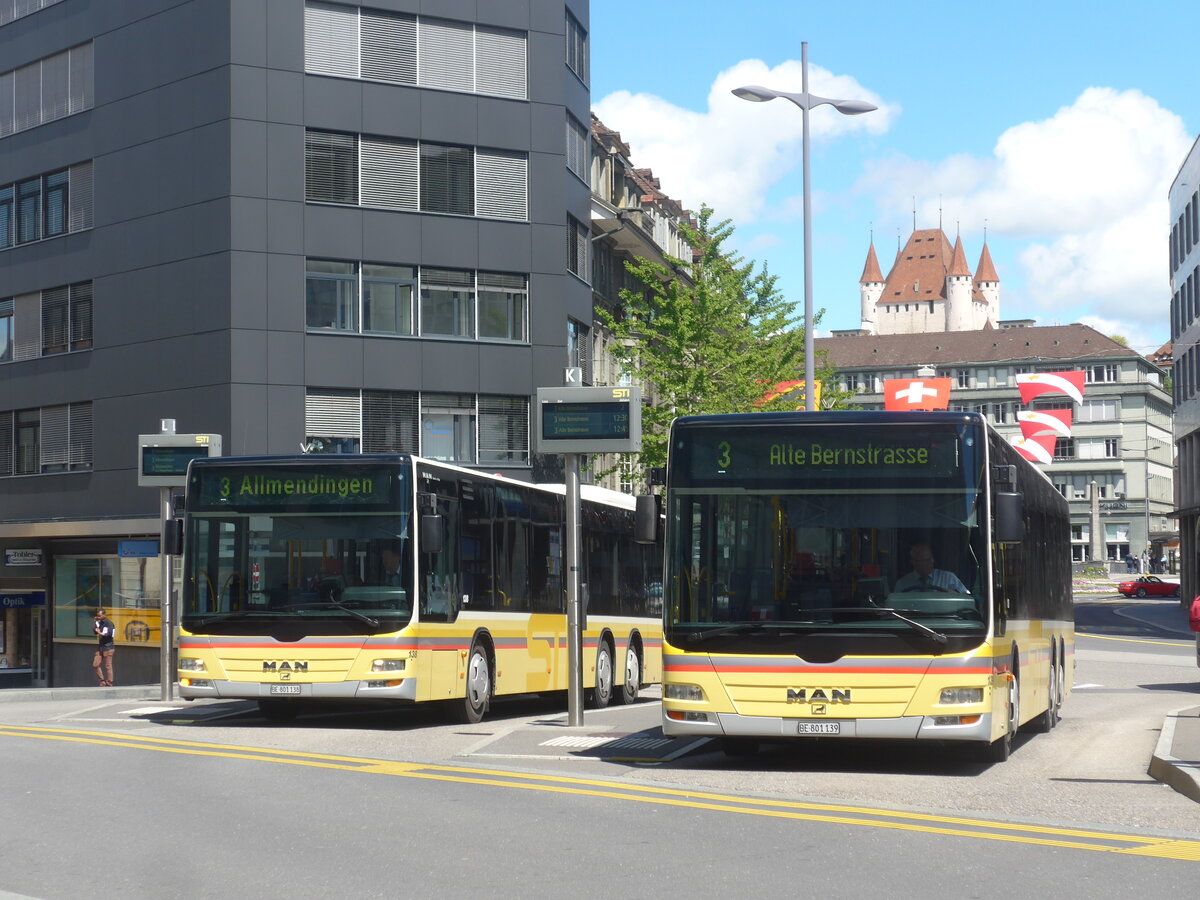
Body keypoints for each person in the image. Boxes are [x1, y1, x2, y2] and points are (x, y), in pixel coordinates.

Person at [893, 544, 969, 594]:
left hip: (945, 616)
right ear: (913, 562)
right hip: (911, 618)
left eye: (929, 560)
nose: (927, 564)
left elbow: (966, 597)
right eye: (922, 561)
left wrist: (952, 594)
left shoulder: (949, 578)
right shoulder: (902, 584)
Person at [92, 608, 115, 686]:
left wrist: (100, 633)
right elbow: (94, 631)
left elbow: (110, 635)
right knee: (95, 664)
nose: (98, 617)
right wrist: (94, 622)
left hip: (108, 647)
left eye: (100, 616)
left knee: (108, 666)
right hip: (101, 647)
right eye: (97, 616)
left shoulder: (109, 623)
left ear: (104, 615)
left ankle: (109, 682)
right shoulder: (99, 623)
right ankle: (102, 681)